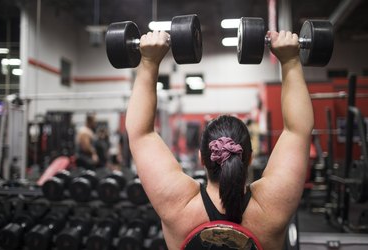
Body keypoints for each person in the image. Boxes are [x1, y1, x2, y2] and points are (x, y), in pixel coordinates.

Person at [125, 30, 314, 250]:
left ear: (202, 159)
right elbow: (297, 130)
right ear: (249, 158)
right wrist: (290, 59)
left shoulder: (179, 205)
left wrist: (149, 60)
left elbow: (141, 133)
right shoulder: (270, 207)